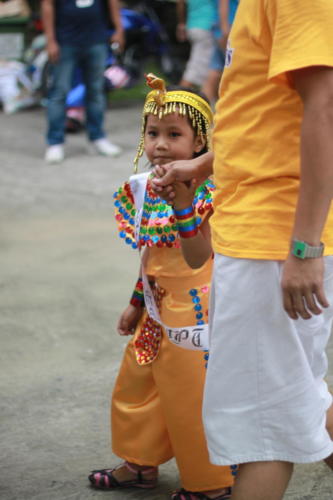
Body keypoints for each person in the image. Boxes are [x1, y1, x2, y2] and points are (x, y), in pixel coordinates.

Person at [152, 0, 333, 498]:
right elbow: (264, 112)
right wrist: (205, 164)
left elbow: (326, 107)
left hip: (273, 241)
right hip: (264, 233)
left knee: (262, 432)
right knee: (298, 396)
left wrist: (303, 248)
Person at [88, 74, 235, 500]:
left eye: (175, 134)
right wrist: (136, 302)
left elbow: (196, 258)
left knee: (189, 397)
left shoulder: (207, 191)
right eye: (153, 133)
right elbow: (151, 253)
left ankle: (211, 484)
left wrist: (184, 205)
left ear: (200, 143)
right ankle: (140, 464)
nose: (161, 144)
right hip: (156, 307)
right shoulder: (145, 189)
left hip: (195, 308)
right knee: (137, 382)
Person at [41, 0, 124, 163]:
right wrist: (50, 40)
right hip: (65, 41)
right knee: (59, 92)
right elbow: (47, 4)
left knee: (96, 92)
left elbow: (113, 2)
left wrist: (119, 29)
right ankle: (55, 142)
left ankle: (97, 137)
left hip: (96, 40)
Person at [202, 0, 239, 104]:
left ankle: (200, 113)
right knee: (233, 74)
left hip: (224, 27)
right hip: (229, 28)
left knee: (215, 72)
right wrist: (225, 30)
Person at [176, 0, 216, 91]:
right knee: (196, 71)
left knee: (211, 70)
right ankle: (176, 101)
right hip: (207, 28)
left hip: (193, 26)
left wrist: (182, 23)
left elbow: (180, 3)